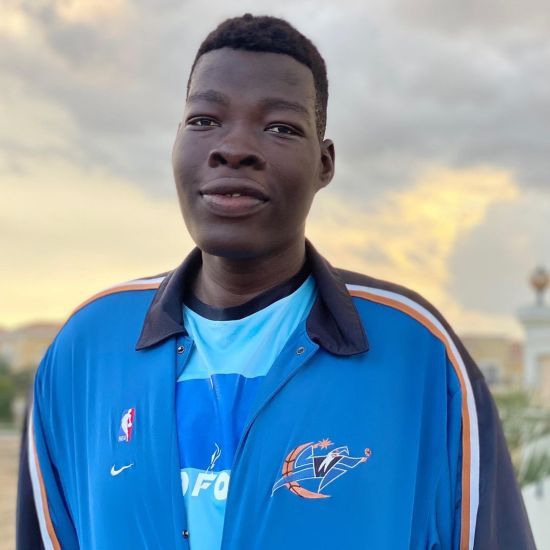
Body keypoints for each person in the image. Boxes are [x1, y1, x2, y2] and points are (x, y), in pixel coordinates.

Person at [17, 13, 535, 550]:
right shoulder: (86, 350)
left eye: (281, 128)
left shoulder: (418, 354)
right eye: (204, 120)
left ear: (324, 164)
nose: (233, 148)